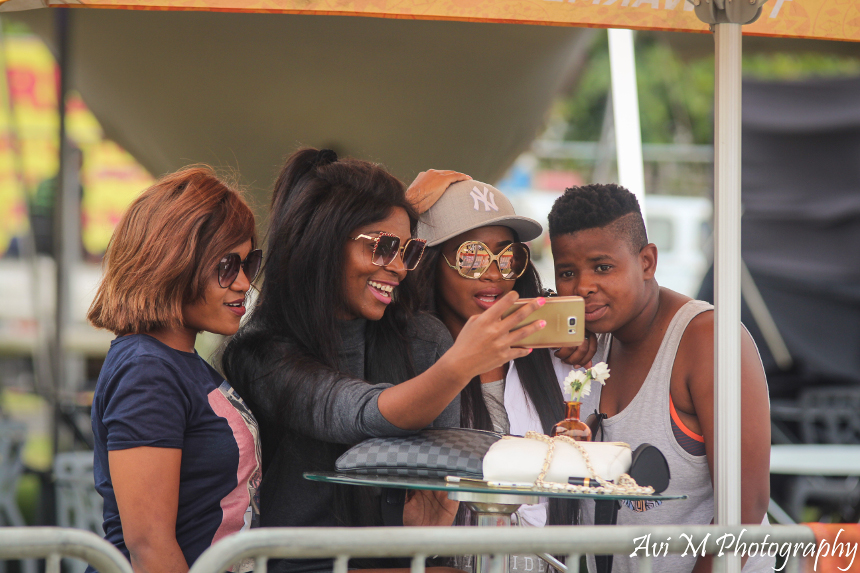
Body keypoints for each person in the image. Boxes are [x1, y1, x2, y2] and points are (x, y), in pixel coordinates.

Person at [220, 149, 545, 573]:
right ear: (324, 242)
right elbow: (357, 412)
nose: (398, 268)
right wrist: (461, 363)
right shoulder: (260, 352)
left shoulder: (424, 338)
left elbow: (431, 512)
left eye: (407, 251)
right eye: (383, 247)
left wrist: (426, 526)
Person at [547, 183, 773, 573]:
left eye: (602, 267)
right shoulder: (586, 343)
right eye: (567, 272)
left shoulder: (709, 340)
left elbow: (745, 507)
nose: (583, 287)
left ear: (647, 262)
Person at [86, 166, 264, 573]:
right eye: (226, 265)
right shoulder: (147, 371)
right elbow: (149, 546)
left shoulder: (177, 362)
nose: (243, 283)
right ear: (173, 262)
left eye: (248, 263)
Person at [413, 178, 596, 528]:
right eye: (472, 257)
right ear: (431, 262)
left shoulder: (555, 354)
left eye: (509, 257)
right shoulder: (409, 359)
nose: (495, 273)